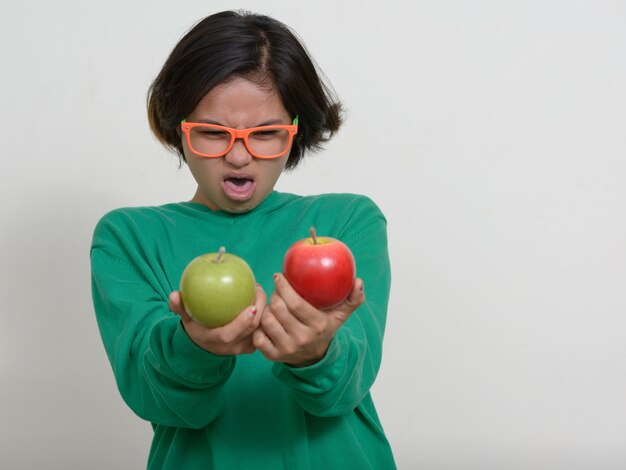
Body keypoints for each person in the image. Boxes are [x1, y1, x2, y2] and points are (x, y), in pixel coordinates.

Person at [91, 10, 396, 470]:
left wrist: (318, 353)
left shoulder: (349, 221)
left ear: (296, 132)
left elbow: (345, 387)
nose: (238, 156)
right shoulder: (127, 237)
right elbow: (155, 398)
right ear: (179, 128)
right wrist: (193, 347)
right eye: (212, 133)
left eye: (267, 134)